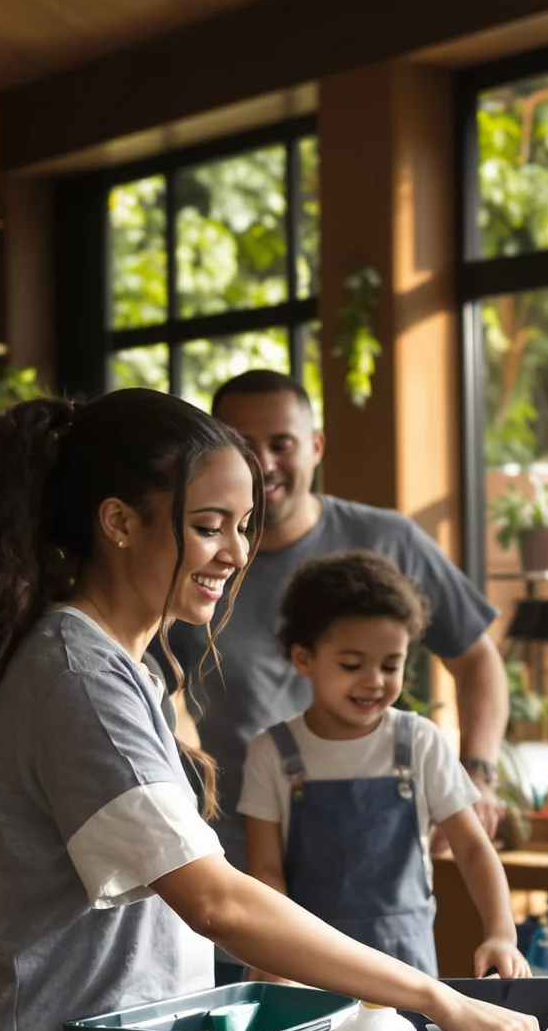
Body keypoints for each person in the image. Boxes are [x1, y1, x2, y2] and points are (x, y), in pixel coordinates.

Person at [0, 388, 548, 1031]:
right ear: (119, 523)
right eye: (210, 523)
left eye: (244, 525)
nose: (236, 552)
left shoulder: (117, 668)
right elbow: (215, 901)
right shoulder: (80, 677)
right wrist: (442, 999)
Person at [165, 369, 508, 863]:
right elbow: (159, 689)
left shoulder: (389, 540)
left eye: (282, 443)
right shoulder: (188, 559)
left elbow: (477, 658)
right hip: (231, 853)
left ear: (316, 446)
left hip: (375, 851)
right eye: (243, 445)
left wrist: (479, 774)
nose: (264, 463)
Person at [241, 550, 530, 978]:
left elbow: (472, 847)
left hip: (407, 965)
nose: (374, 680)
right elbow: (265, 871)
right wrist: (272, 958)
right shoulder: (271, 752)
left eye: (391, 665)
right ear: (303, 658)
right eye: (352, 664)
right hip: (309, 962)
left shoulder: (419, 742)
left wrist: (501, 933)